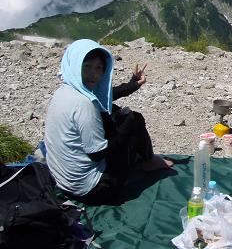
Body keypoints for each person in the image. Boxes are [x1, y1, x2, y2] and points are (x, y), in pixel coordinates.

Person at [44, 39, 173, 205]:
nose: (93, 74)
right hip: (94, 190)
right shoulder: (84, 105)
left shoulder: (65, 91)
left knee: (115, 112)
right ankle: (148, 161)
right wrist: (127, 126)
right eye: (87, 66)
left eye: (98, 68)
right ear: (75, 66)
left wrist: (131, 85)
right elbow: (97, 154)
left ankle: (147, 158)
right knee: (133, 119)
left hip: (63, 182)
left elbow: (103, 96)